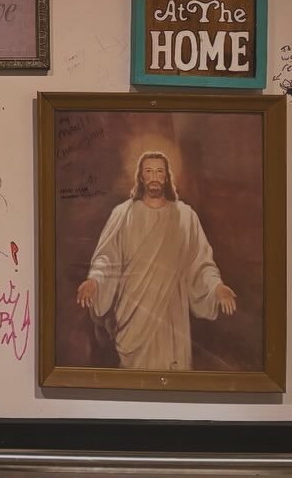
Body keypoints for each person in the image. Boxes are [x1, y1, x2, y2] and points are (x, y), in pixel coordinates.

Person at [76, 151, 237, 371]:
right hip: (133, 312)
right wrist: (94, 280)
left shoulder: (186, 217)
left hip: (172, 316)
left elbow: (200, 263)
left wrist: (216, 287)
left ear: (167, 177)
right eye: (148, 171)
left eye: (159, 171)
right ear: (140, 177)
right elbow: (107, 257)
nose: (154, 176)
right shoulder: (123, 214)